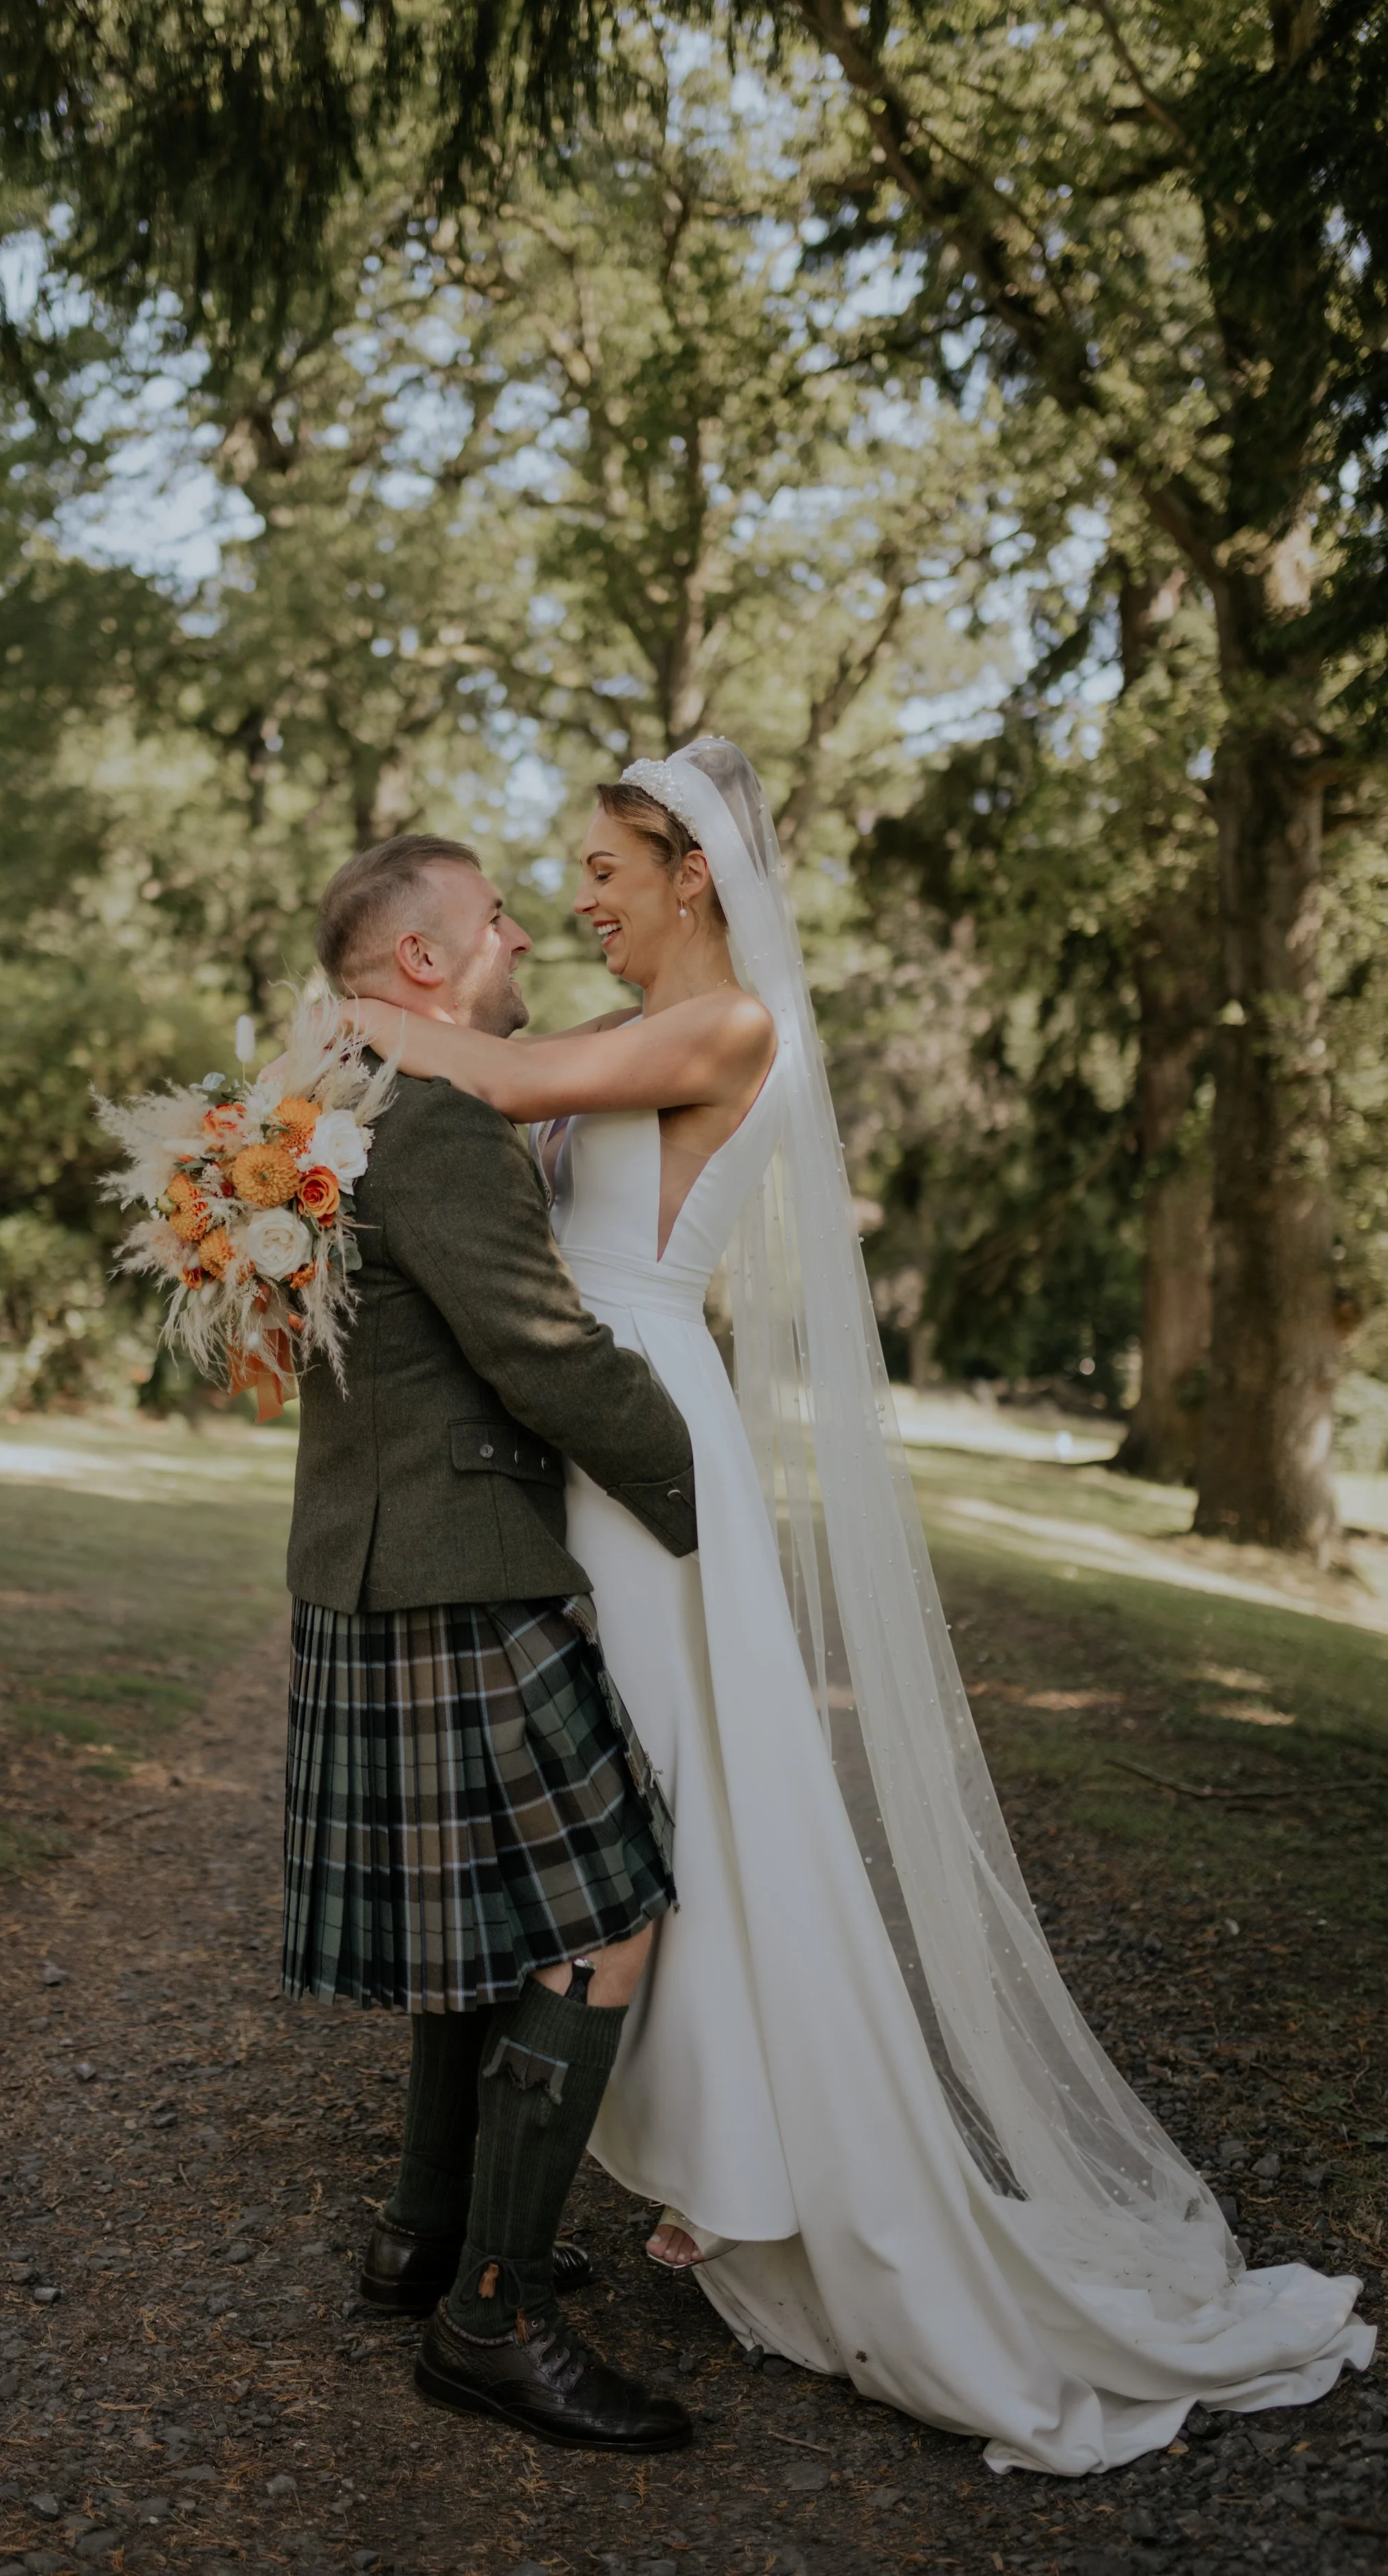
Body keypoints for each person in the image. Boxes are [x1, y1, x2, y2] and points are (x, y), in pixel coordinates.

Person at [341, 742, 1376, 2477]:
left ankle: (650, 2204)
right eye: (572, 873)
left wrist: (338, 1031)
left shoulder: (731, 1025)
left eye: (604, 868)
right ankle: (514, 2222)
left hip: (637, 1444)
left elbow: (488, 1074)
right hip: (574, 1442)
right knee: (584, 1838)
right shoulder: (615, 1038)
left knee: (640, 1842)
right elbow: (495, 1127)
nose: (581, 896)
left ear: (691, 876)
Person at [284, 829, 701, 2453]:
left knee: (480, 1916)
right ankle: (496, 2313)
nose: (524, 933)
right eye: (496, 918)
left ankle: (422, 2228)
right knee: (601, 1913)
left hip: (371, 1551)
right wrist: (701, 1495)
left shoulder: (322, 1097)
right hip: (458, 1561)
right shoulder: (437, 1115)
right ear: (422, 962)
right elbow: (537, 1353)